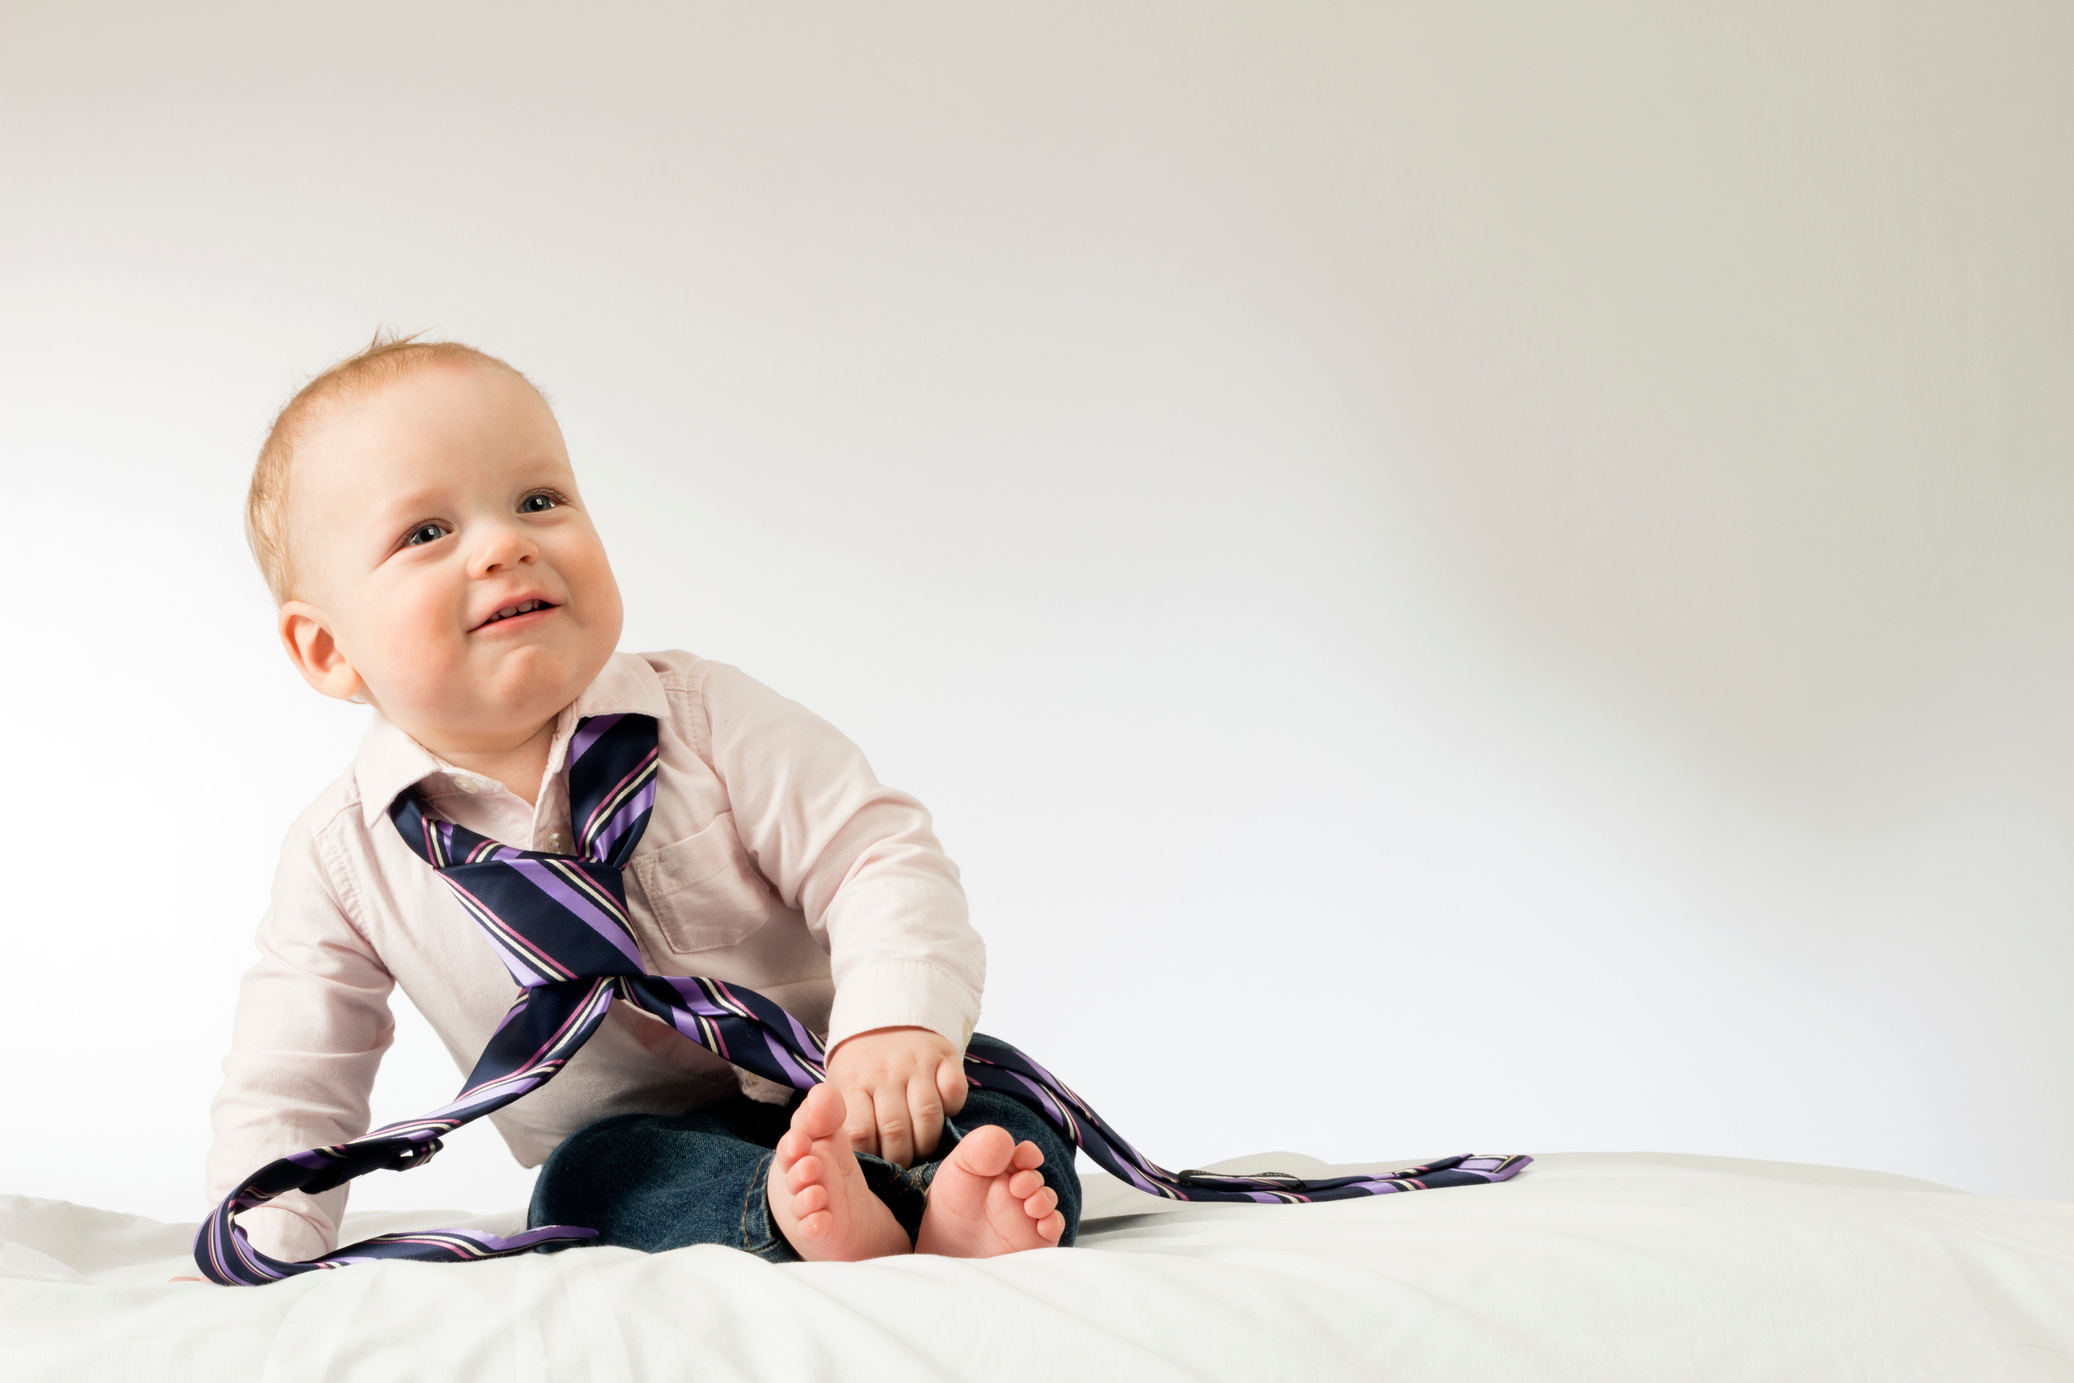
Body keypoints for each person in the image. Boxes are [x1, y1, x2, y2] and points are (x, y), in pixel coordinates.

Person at [202, 334, 1079, 1267]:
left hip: (847, 1078)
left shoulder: (706, 717)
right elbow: (294, 1075)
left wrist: (893, 1024)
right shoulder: (345, 859)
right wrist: (262, 1242)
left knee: (999, 1103)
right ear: (328, 651)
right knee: (591, 1177)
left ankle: (955, 1204)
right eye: (426, 532)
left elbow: (875, 852)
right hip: (649, 1142)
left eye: (540, 500)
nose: (508, 543)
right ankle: (800, 1216)